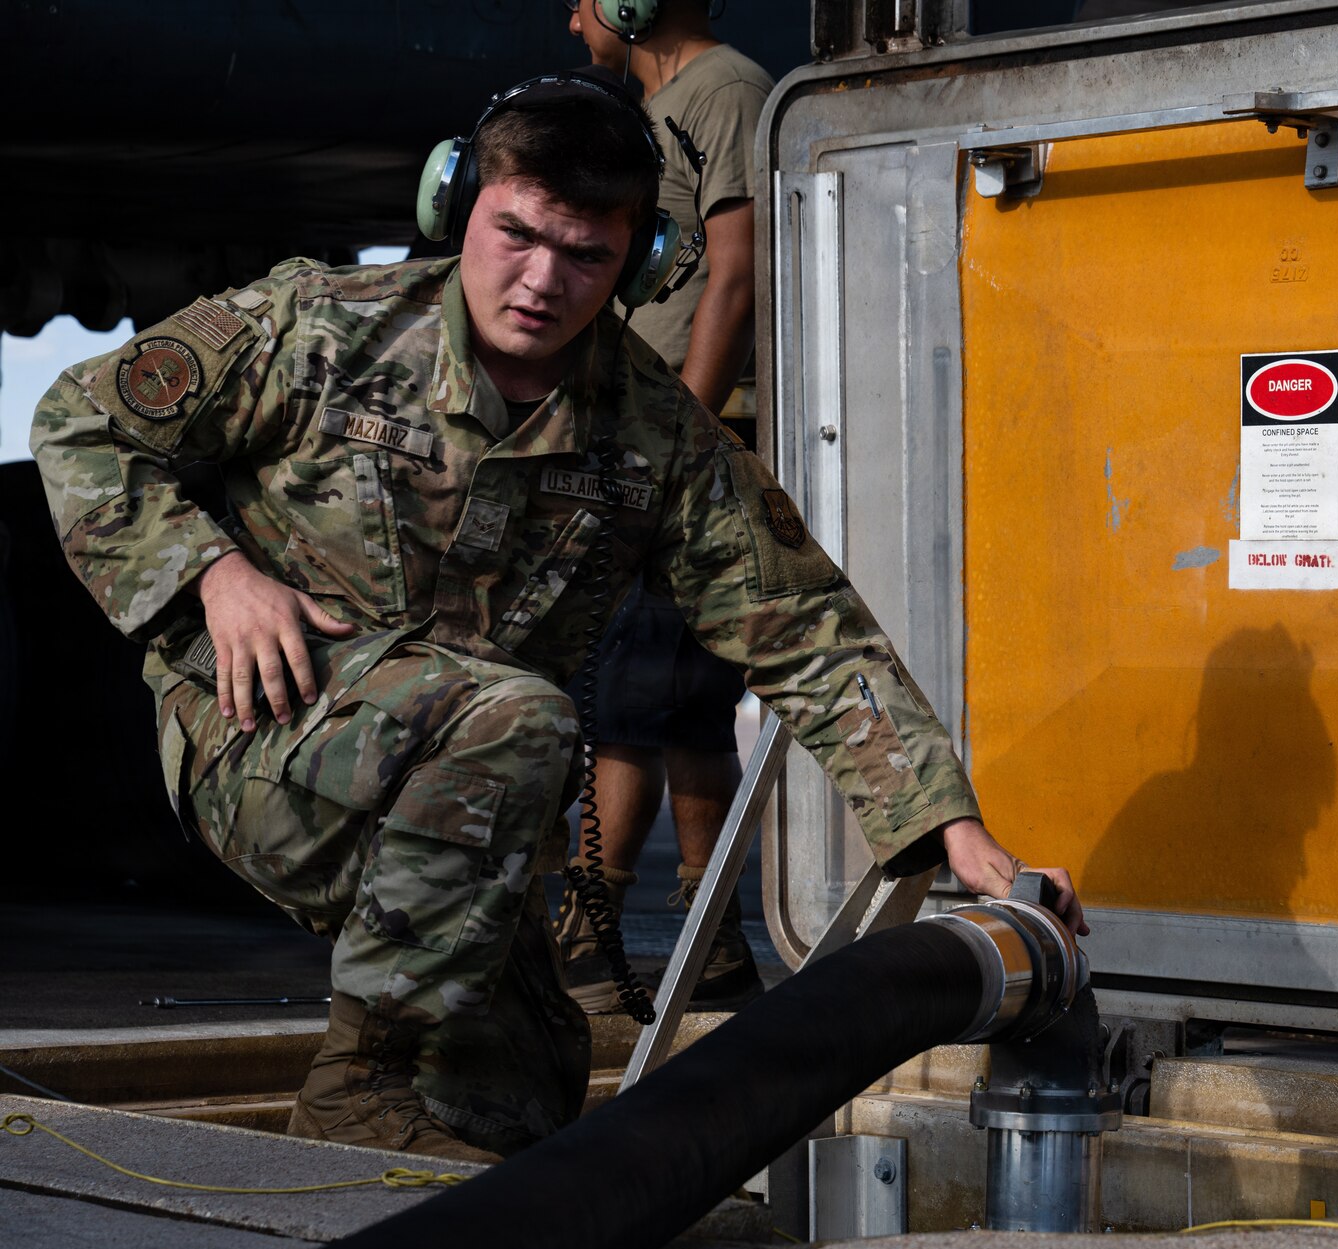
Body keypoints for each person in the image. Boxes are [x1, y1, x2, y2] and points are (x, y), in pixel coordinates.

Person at [30, 72, 1081, 1162]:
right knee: (521, 720)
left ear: (644, 261)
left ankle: (378, 1214)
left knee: (521, 1087)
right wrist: (211, 574)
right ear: (458, 206)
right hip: (257, 747)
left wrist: (939, 819)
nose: (540, 281)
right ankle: (356, 1089)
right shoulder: (317, 331)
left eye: (584, 256)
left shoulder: (651, 432)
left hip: (460, 812)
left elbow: (803, 621)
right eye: (516, 234)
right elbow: (78, 421)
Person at [555, 0, 776, 1014]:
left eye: (582, 2)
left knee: (651, 685)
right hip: (641, 439)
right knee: (651, 686)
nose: (571, 22)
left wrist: (680, 439)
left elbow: (736, 272)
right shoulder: (660, 110)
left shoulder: (722, 89)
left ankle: (606, 931)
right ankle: (702, 940)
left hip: (682, 442)